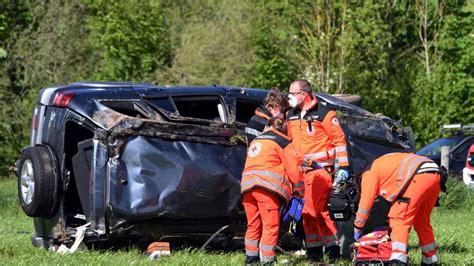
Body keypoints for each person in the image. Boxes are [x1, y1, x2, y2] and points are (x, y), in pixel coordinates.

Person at [286, 79, 350, 261]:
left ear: (303, 94)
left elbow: (339, 141)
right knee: (306, 214)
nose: (289, 96)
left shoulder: (325, 113)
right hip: (300, 173)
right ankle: (314, 254)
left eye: (292, 93)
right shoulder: (291, 114)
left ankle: (332, 252)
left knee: (320, 212)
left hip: (320, 171)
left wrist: (343, 167)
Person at [354, 152, 441, 265]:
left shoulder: (368, 174)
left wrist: (358, 227)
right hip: (434, 174)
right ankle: (430, 260)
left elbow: (365, 203)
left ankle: (398, 259)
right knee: (421, 221)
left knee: (398, 218)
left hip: (418, 175)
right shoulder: (382, 167)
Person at [241, 117, 305, 265]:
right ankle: (267, 260)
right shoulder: (283, 142)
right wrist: (300, 190)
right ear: (284, 129)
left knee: (253, 224)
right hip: (267, 189)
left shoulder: (257, 140)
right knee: (270, 226)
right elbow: (294, 170)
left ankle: (251, 259)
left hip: (247, 187)